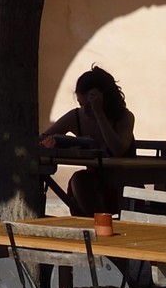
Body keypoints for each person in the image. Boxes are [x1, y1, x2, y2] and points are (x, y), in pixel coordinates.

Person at [42, 66, 135, 218]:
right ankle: (98, 225)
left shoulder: (124, 117)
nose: (85, 111)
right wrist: (63, 143)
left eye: (89, 106)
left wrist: (99, 114)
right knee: (80, 180)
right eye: (81, 104)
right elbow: (44, 137)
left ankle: (100, 226)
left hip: (122, 183)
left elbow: (118, 150)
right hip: (94, 184)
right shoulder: (77, 117)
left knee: (83, 183)